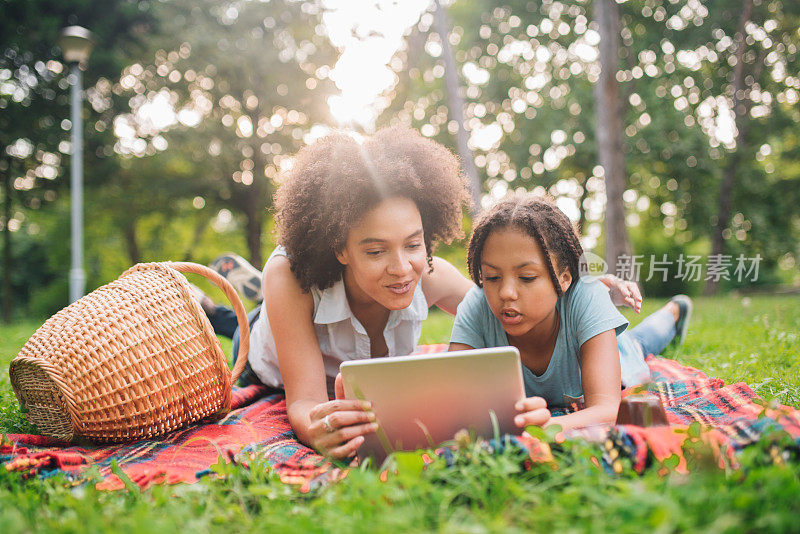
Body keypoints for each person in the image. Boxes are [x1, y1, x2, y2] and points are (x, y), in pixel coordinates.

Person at [201, 128, 642, 459]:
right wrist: (314, 426)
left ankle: (234, 297)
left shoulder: (429, 274)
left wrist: (574, 292)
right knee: (247, 326)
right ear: (340, 247)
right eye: (375, 251)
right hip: (268, 355)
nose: (401, 268)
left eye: (413, 244)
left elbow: (500, 305)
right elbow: (304, 402)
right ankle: (233, 310)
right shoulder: (293, 275)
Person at [448, 193, 692, 433]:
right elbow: (450, 397)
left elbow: (608, 409)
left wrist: (547, 427)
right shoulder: (477, 303)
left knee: (638, 343)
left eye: (527, 277)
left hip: (617, 351)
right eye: (491, 277)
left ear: (564, 278)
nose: (506, 293)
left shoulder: (587, 296)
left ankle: (674, 311)